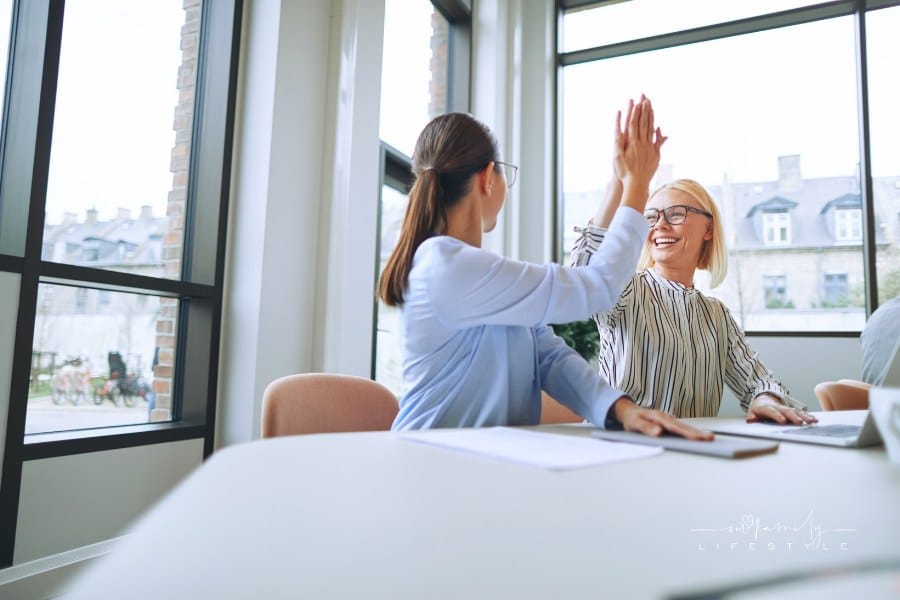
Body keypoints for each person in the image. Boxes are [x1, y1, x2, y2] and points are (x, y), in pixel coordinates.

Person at [378, 97, 711, 439]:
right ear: (488, 179)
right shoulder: (445, 265)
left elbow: (548, 356)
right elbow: (598, 286)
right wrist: (639, 185)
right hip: (427, 463)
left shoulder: (470, 272)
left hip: (484, 461)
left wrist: (622, 410)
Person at [571, 176, 817, 425]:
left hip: (692, 452)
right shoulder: (627, 290)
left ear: (708, 229)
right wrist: (618, 186)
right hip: (622, 449)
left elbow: (758, 382)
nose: (661, 225)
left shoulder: (716, 315)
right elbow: (585, 278)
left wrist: (765, 399)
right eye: (651, 217)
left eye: (676, 214)